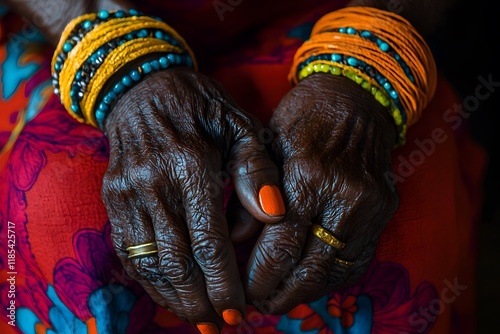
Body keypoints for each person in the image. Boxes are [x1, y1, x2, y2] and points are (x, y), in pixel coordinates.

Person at [0, 0, 486, 333]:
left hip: (351, 14)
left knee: (392, 210)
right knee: (59, 200)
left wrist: (363, 70)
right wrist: (119, 64)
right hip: (70, 18)